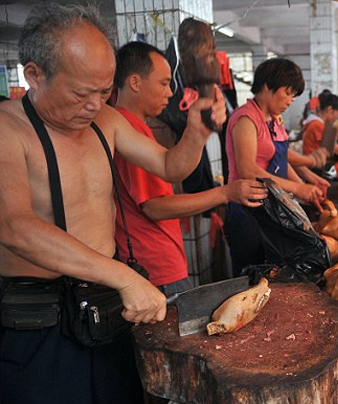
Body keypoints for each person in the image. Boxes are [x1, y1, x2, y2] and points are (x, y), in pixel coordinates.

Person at [0, 4, 221, 404]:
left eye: (104, 92)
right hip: (38, 315)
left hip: (105, 305)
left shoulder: (108, 120)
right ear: (34, 74)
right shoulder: (7, 130)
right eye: (81, 93)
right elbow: (16, 227)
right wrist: (124, 276)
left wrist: (198, 131)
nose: (94, 105)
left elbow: (170, 166)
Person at [112, 42, 267, 297]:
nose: (170, 93)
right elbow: (155, 206)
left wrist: (199, 131)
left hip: (157, 262)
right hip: (154, 267)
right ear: (135, 82)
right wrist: (226, 193)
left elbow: (173, 167)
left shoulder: (137, 128)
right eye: (163, 83)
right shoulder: (127, 128)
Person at [226, 58, 323, 275]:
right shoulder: (246, 119)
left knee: (274, 274)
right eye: (287, 93)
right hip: (248, 209)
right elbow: (248, 171)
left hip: (271, 207)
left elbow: (279, 160)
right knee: (251, 273)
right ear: (268, 87)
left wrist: (303, 188)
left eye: (293, 95)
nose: (290, 101)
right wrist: (297, 188)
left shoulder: (270, 120)